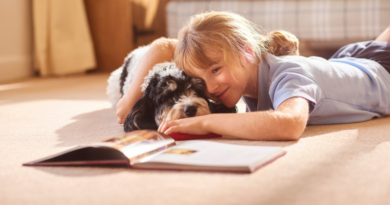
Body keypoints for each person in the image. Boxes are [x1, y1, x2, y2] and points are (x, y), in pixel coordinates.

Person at [116, 11, 390, 141]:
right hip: (350, 61)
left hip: (383, 73)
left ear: (247, 51)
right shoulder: (246, 80)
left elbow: (289, 124)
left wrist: (206, 123)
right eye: (201, 80)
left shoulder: (289, 74)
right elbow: (164, 47)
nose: (210, 87)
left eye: (215, 69)